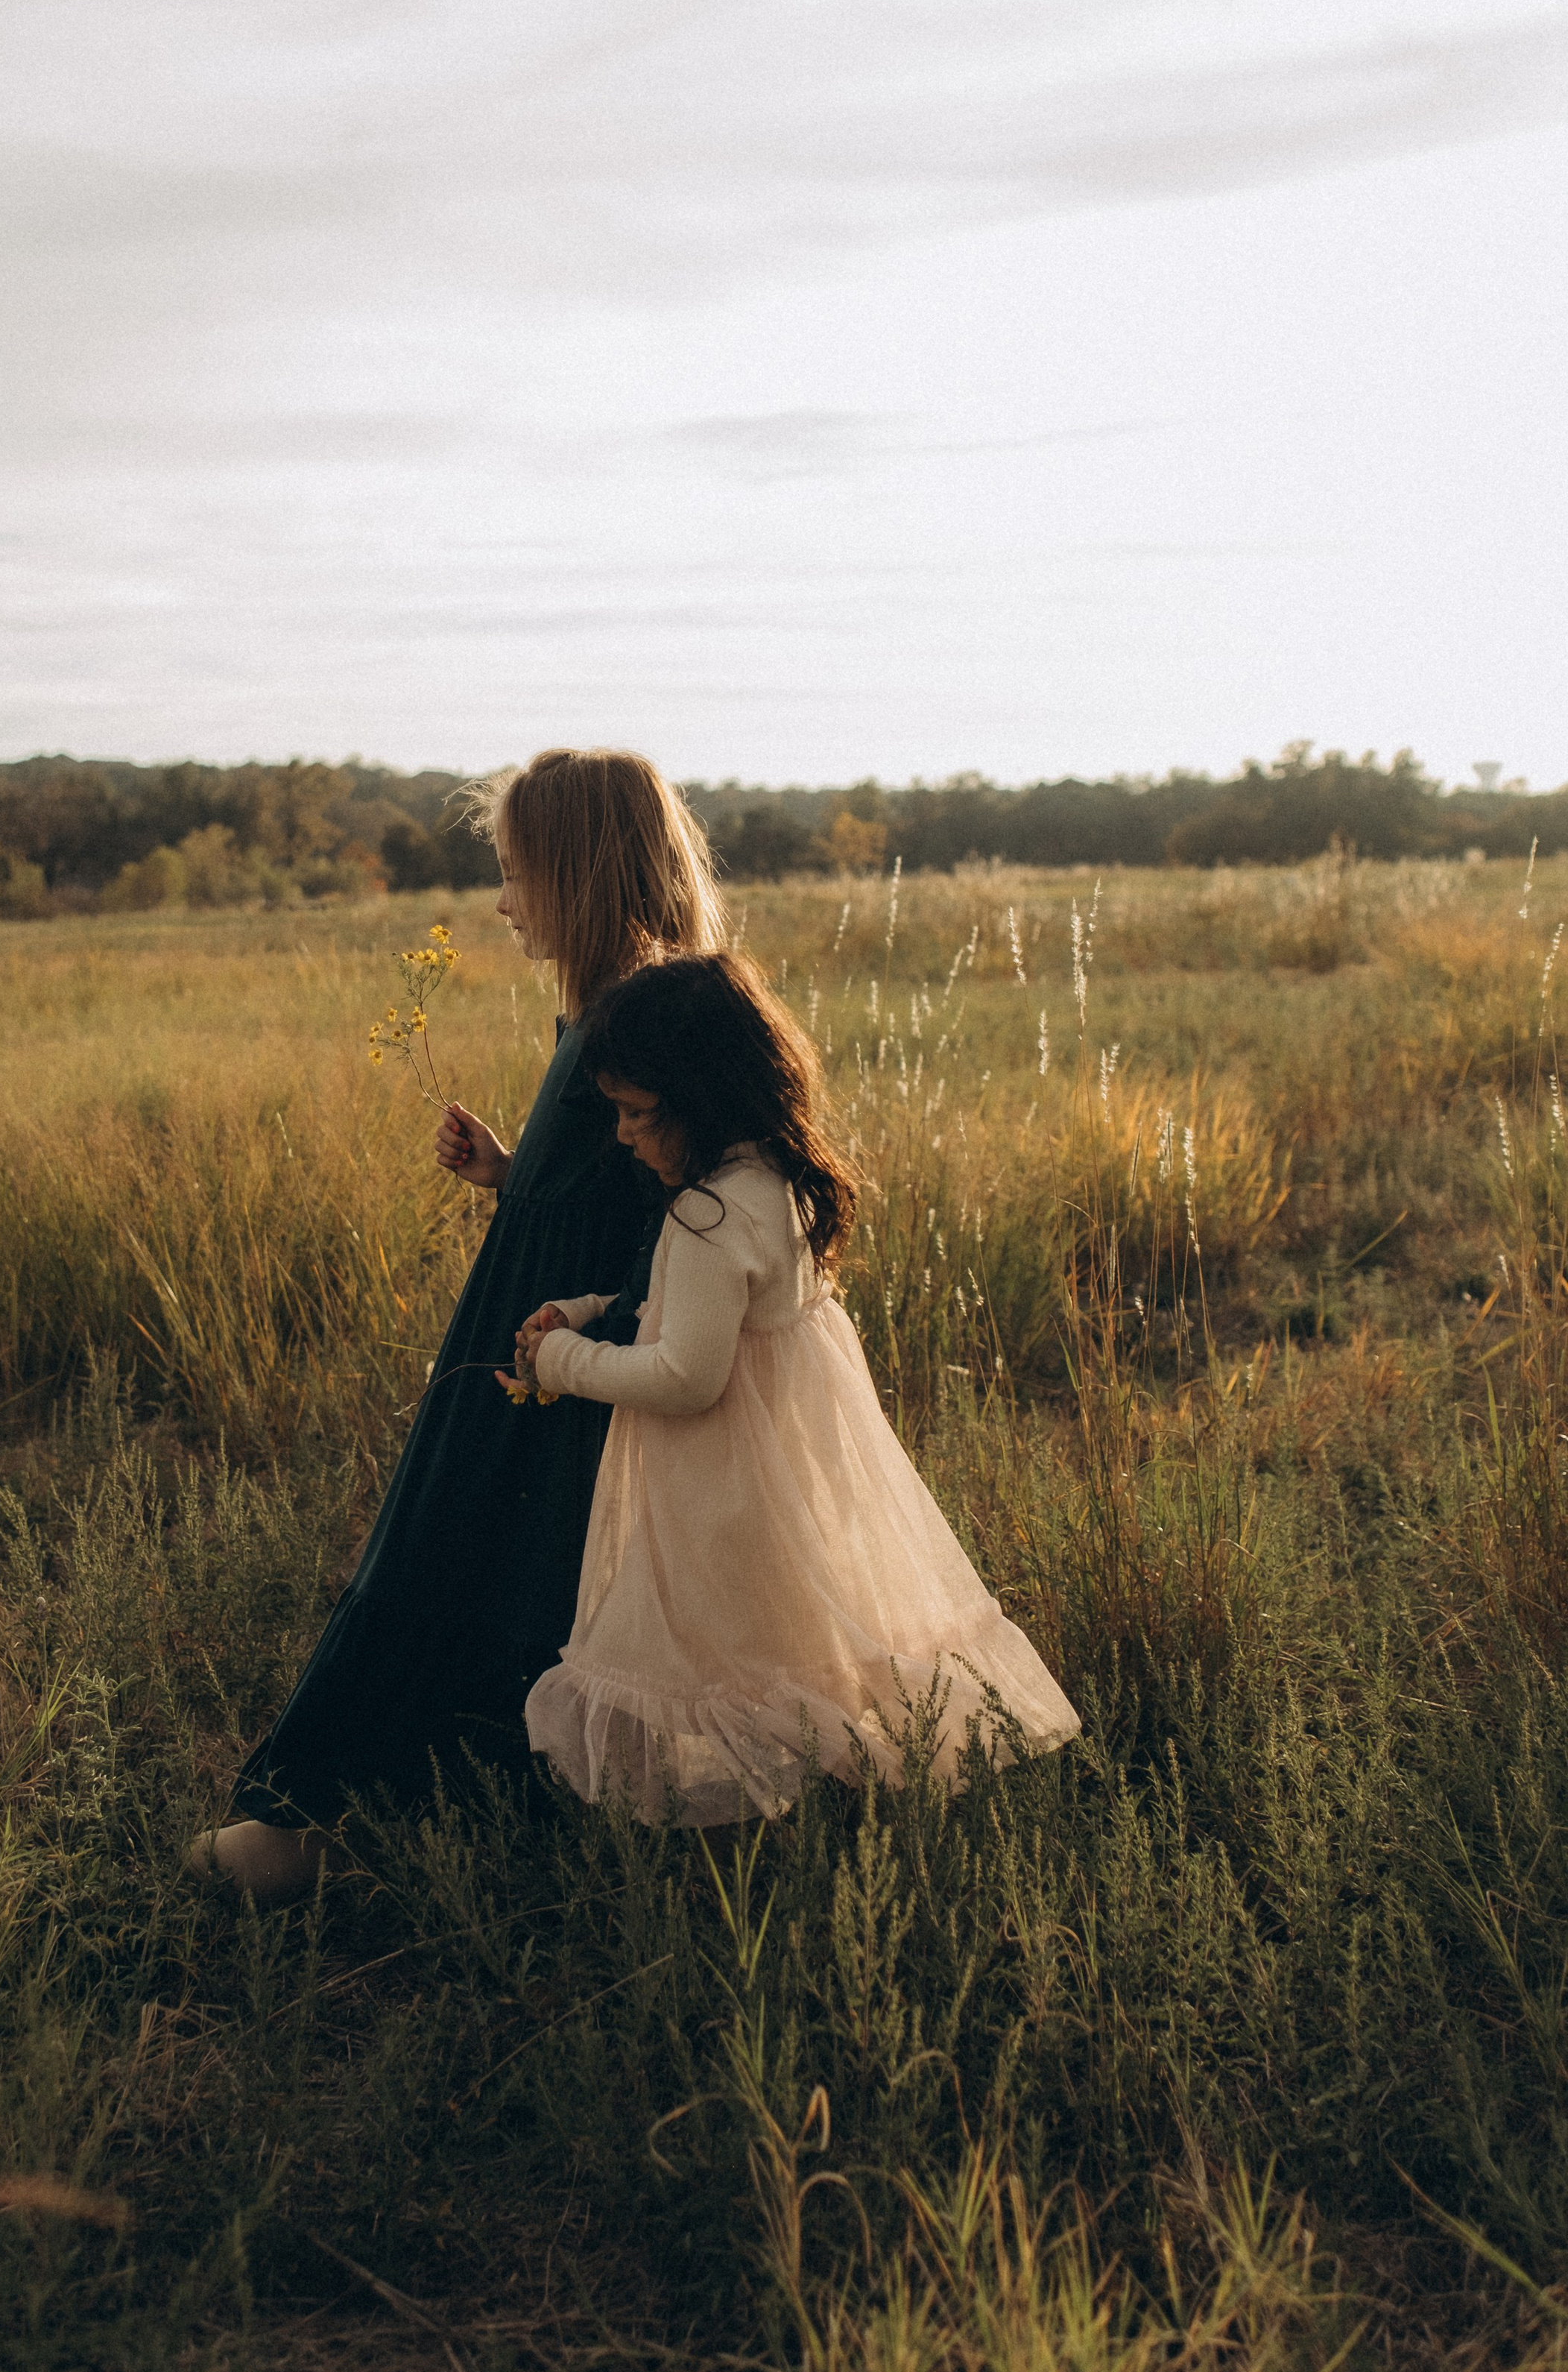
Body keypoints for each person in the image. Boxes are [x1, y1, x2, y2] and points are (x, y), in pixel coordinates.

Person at [194, 750, 727, 1900]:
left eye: (514, 872)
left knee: (446, 1556)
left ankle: (316, 1824)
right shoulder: (613, 1007)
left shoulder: (644, 1017)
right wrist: (511, 1177)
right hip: (540, 1347)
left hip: (554, 1361)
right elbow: (610, 1190)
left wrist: (572, 1341)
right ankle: (458, 1813)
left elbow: (681, 1218)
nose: (500, 902)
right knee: (503, 1573)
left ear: (577, 874)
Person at [513, 953, 1081, 1824]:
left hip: (722, 1466)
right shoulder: (768, 1180)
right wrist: (590, 1309)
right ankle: (824, 1781)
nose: (621, 1135)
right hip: (785, 1451)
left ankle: (776, 1798)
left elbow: (685, 1374)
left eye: (633, 1112)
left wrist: (562, 1364)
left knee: (725, 1636)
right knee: (790, 1623)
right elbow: (681, 1306)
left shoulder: (706, 1214)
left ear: (697, 1096)